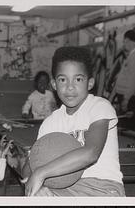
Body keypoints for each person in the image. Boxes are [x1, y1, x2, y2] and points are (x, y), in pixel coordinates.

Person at [22, 46, 125, 196]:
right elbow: (28, 169)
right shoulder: (50, 123)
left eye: (78, 79)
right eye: (63, 79)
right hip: (63, 190)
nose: (70, 87)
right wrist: (38, 184)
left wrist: (40, 173)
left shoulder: (99, 106)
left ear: (90, 83)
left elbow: (91, 153)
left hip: (102, 188)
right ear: (54, 85)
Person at [114, 29, 135, 132]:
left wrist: (126, 99)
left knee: (130, 129)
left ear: (128, 40)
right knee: (127, 127)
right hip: (131, 98)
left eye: (124, 42)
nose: (124, 44)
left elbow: (134, 79)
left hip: (133, 99)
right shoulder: (134, 55)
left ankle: (132, 148)